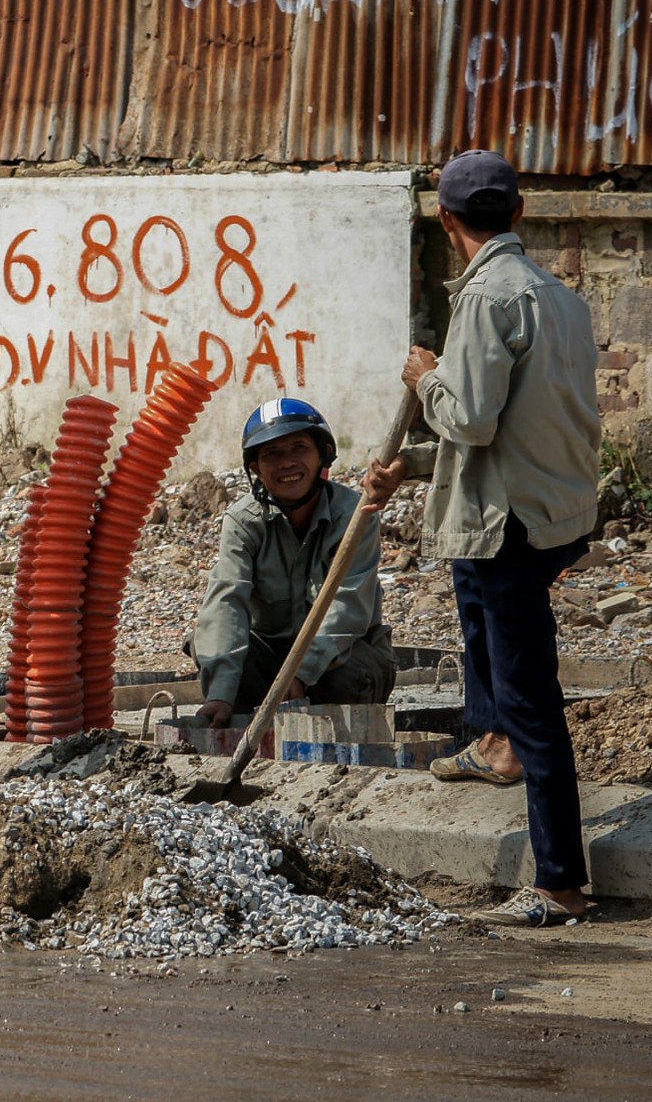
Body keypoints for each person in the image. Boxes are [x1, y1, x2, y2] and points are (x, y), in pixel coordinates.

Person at [382, 149, 601, 927]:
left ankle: (561, 882)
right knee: (468, 585)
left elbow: (467, 417)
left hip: (512, 523)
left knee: (531, 692)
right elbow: (505, 424)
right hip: (549, 512)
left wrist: (423, 376)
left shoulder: (487, 302)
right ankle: (493, 740)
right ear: (518, 211)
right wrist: (407, 466)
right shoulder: (563, 300)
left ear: (446, 222)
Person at [190, 399, 402, 728]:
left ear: (323, 454)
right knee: (215, 648)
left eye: (299, 448)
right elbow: (227, 601)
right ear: (256, 468)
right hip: (271, 657)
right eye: (271, 454)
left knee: (346, 673)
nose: (287, 463)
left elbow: (348, 607)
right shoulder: (243, 521)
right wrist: (220, 693)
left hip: (337, 657)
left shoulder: (355, 515)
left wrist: (300, 672)